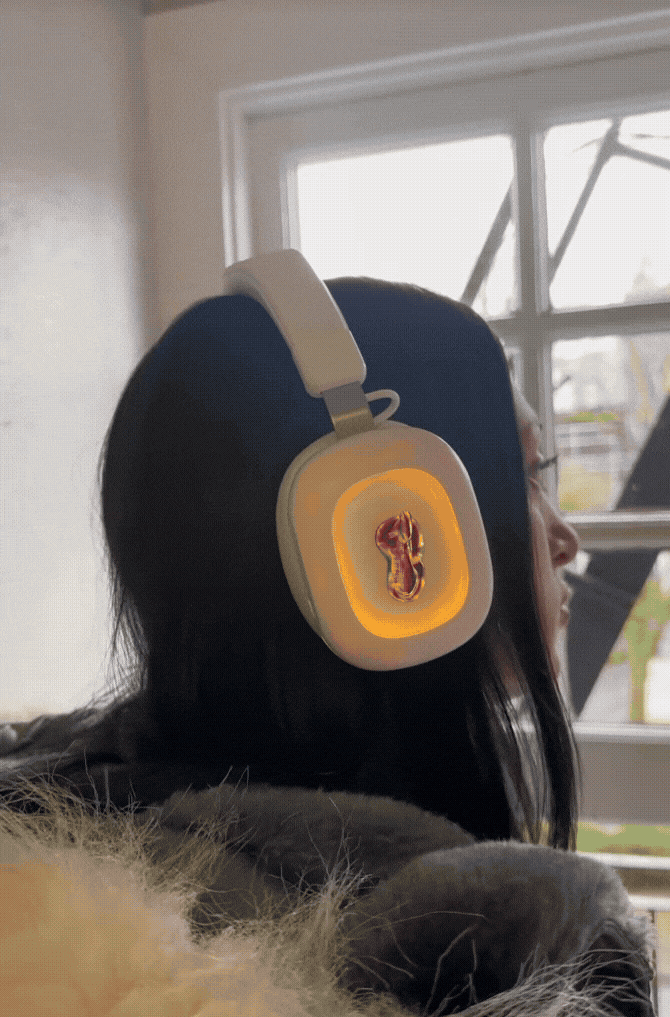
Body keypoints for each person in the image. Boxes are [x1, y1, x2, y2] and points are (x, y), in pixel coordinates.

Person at [1, 276, 579, 847]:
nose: (567, 541)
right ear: (382, 520)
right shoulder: (439, 902)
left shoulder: (97, 832)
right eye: (527, 475)